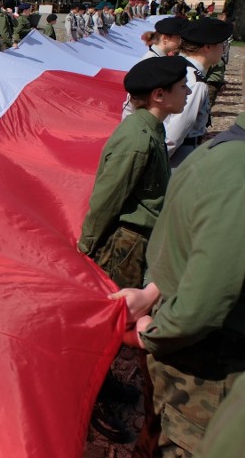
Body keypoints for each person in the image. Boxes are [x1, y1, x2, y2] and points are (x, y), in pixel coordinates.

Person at [111, 112, 245, 456]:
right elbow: (204, 296)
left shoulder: (221, 155)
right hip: (209, 373)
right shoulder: (236, 171)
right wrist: (151, 318)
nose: (186, 93)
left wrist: (151, 311)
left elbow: (194, 260)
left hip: (200, 368)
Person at [78, 56, 191, 444]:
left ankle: (103, 388)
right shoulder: (139, 138)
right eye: (181, 88)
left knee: (118, 326)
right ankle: (93, 405)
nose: (188, 93)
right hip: (123, 245)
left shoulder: (150, 129)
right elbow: (107, 198)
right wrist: (86, 248)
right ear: (159, 95)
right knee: (111, 326)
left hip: (137, 240)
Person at [163, 17, 232, 167]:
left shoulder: (182, 68)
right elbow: (175, 132)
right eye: (221, 44)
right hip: (177, 156)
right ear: (207, 47)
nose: (223, 49)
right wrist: (156, 164)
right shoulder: (194, 81)